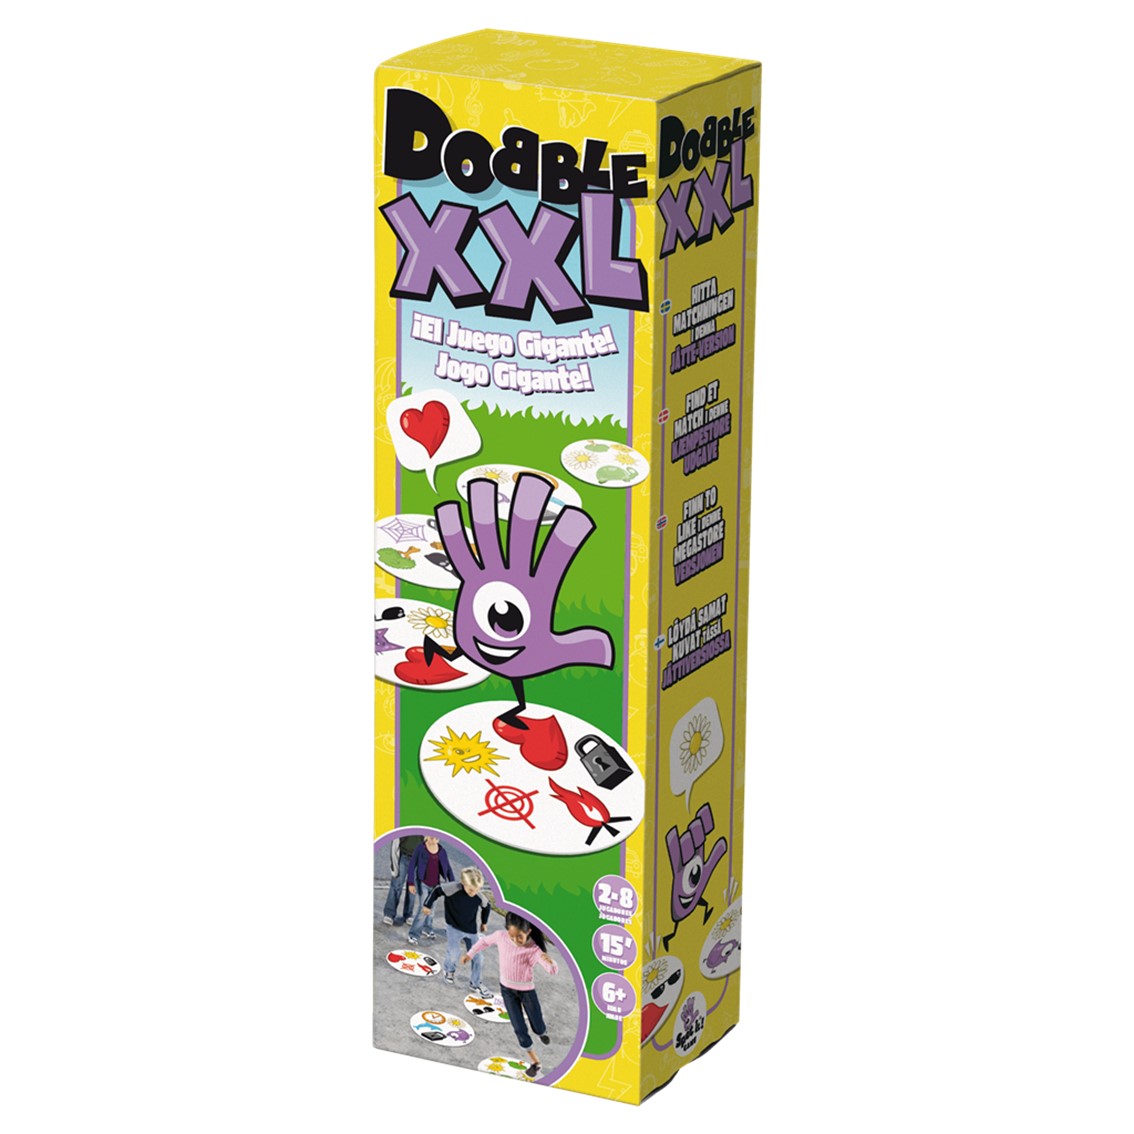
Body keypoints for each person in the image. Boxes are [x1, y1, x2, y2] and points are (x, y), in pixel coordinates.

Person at [463, 912, 557, 1079]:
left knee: (537, 1023)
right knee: (519, 1027)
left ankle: (541, 1032)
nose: (515, 940)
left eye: (519, 937)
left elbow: (550, 969)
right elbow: (484, 941)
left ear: (528, 931)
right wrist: (470, 954)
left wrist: (550, 963)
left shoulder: (533, 949)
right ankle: (535, 1062)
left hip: (527, 992)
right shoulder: (501, 936)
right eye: (511, 936)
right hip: (507, 990)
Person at [420, 867, 492, 996]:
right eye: (471, 889)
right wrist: (427, 905)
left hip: (471, 930)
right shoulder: (452, 888)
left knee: (478, 958)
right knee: (454, 953)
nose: (474, 892)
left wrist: (484, 922)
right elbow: (437, 891)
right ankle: (449, 971)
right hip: (454, 928)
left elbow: (487, 906)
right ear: (463, 883)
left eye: (477, 890)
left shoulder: (478, 896)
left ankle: (475, 983)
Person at [406, 835, 453, 945]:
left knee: (432, 910)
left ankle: (427, 928)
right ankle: (413, 934)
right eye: (432, 838)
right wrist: (411, 883)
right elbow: (412, 865)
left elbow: (448, 868)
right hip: (422, 883)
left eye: (436, 838)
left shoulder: (441, 851)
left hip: (435, 886)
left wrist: (452, 884)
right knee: (423, 909)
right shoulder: (420, 848)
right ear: (427, 837)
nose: (434, 840)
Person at [382, 835, 422, 926]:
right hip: (403, 856)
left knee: (413, 888)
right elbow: (396, 839)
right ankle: (389, 913)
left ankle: (408, 914)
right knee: (396, 885)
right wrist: (394, 863)